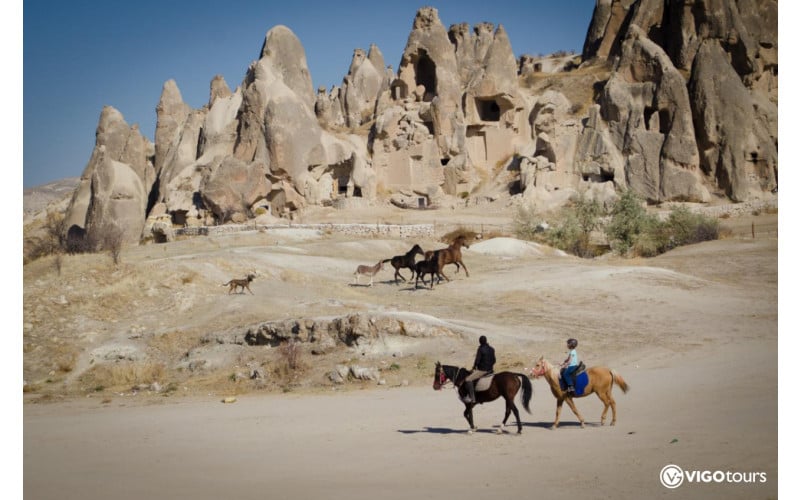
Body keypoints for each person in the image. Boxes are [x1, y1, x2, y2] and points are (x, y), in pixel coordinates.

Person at [462, 335, 495, 403]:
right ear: (486, 341)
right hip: (490, 370)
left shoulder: (480, 349)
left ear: (480, 342)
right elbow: (494, 360)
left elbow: (477, 360)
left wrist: (474, 367)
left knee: (468, 379)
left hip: (482, 370)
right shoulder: (492, 349)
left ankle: (472, 398)